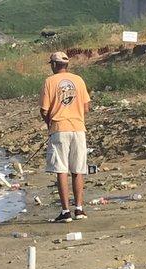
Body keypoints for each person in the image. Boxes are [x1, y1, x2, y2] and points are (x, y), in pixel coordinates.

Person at [40, 51, 90, 223]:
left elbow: (44, 110)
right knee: (78, 169)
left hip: (59, 128)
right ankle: (80, 209)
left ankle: (65, 211)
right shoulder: (79, 80)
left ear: (54, 65)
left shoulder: (49, 81)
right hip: (78, 128)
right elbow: (86, 107)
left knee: (61, 169)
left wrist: (50, 125)